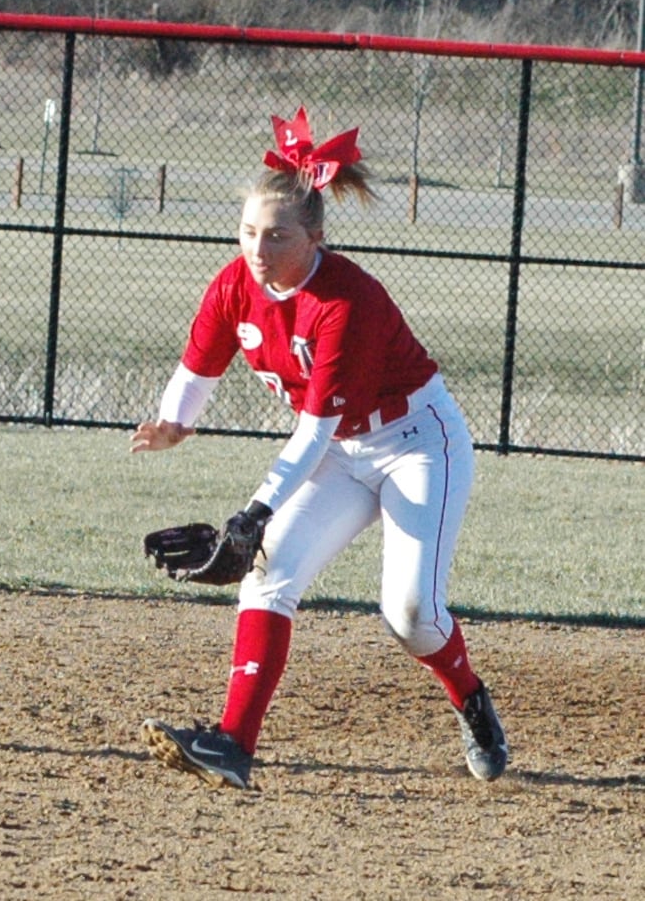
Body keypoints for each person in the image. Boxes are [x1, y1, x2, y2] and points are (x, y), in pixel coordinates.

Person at [128, 108, 507, 791]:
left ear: (316, 236)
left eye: (277, 236)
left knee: (412, 616)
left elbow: (312, 433)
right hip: (340, 451)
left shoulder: (345, 302)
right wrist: (174, 422)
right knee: (267, 578)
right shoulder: (236, 285)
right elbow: (199, 366)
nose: (257, 249)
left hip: (417, 443)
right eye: (247, 232)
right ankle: (233, 745)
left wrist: (255, 512)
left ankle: (471, 699)